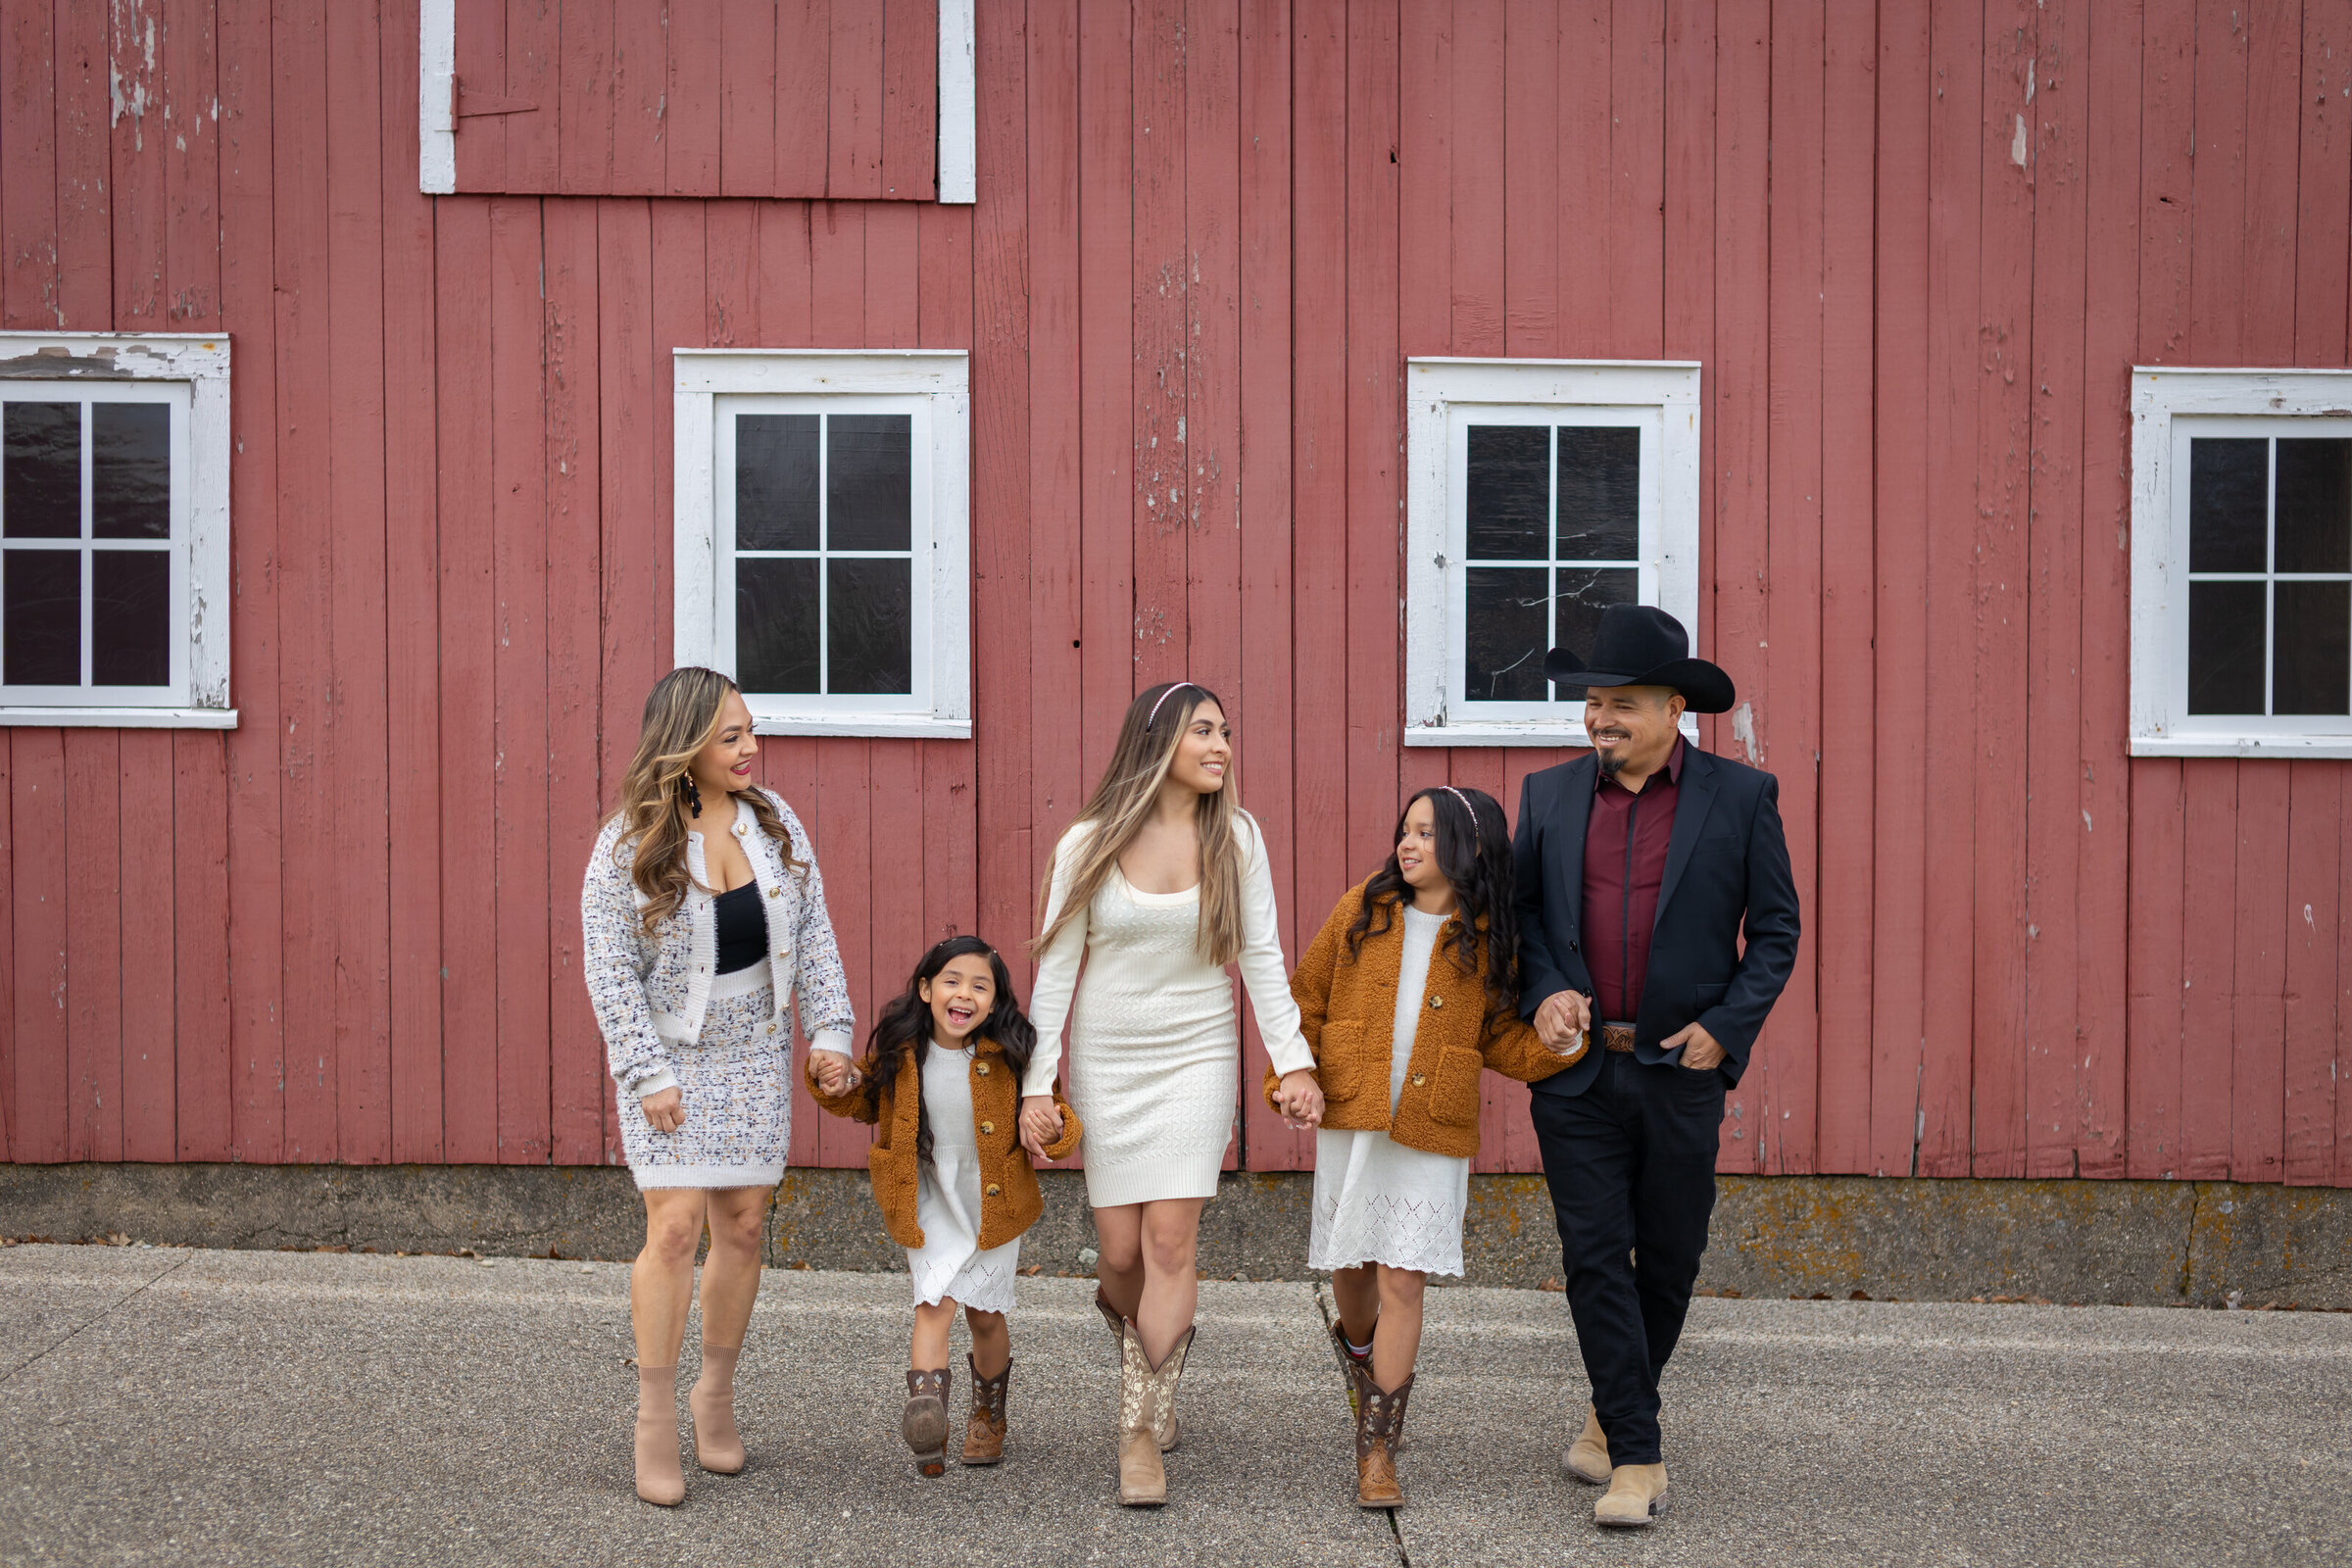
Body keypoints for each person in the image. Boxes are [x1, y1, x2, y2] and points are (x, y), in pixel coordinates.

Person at [1512, 606, 1799, 1528]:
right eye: (1593, 703)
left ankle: (1609, 1410)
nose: (1600, 720)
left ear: (1675, 709)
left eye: (1621, 705)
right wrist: (1545, 990)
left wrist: (1729, 1027)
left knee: (1669, 1261)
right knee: (1594, 1258)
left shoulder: (1743, 798)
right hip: (1577, 1075)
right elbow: (1519, 921)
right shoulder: (1547, 798)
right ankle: (1637, 1457)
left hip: (1681, 1069)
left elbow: (1778, 933)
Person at [1023, 680, 1326, 1507]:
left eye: (1226, 731)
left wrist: (1292, 1060)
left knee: (1168, 1246)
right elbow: (1056, 972)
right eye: (1203, 731)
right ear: (1157, 741)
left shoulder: (1238, 837)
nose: (1222, 746)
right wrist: (1034, 1086)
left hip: (1198, 1053)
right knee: (1119, 1254)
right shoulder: (1088, 841)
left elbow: (1261, 956)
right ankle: (1151, 1376)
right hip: (1111, 1058)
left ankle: (1139, 1429)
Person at [579, 666, 855, 1506]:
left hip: (758, 1055)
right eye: (732, 736)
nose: (752, 748)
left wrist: (830, 1036)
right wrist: (645, 1072)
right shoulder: (627, 845)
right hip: (670, 1061)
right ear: (685, 742)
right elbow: (610, 971)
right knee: (673, 1230)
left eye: (749, 731)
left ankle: (716, 1395)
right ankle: (654, 1418)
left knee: (741, 1225)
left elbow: (816, 942)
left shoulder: (776, 824)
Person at [1277, 784, 1585, 1508]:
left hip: (1430, 1127)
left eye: (1425, 834)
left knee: (1403, 1279)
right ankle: (1361, 1359)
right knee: (1351, 1273)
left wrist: (1558, 1046)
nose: (1407, 845)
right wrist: (1288, 1078)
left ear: (1469, 850)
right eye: (1404, 832)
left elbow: (1501, 1040)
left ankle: (1377, 1448)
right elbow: (1305, 997)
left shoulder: (1486, 935)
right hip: (1354, 1116)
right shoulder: (1365, 909)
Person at [807, 937, 1082, 1474]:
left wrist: (1053, 1128)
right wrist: (838, 1084)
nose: (965, 994)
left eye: (982, 986)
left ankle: (988, 1414)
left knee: (983, 1315)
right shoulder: (901, 1053)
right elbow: (863, 1098)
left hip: (992, 1199)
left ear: (996, 1000)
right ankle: (927, 1416)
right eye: (953, 981)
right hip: (928, 1193)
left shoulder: (1012, 1056)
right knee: (932, 1306)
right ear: (927, 989)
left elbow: (1058, 1119)